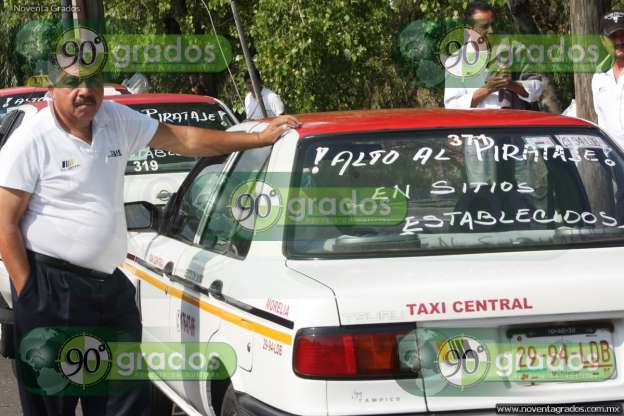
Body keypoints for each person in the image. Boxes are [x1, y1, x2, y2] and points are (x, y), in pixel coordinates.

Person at [0, 66, 298, 416]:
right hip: (52, 292)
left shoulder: (116, 119)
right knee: (54, 404)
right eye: (73, 83)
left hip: (108, 289)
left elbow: (183, 140)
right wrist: (31, 295)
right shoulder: (32, 139)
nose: (85, 91)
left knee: (126, 400)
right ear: (52, 89)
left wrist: (257, 139)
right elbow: (5, 223)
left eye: (92, 82)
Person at [444, 1, 543, 109]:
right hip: (478, 124)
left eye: (493, 24)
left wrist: (511, 84)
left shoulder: (516, 50)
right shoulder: (455, 61)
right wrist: (488, 89)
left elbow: (537, 89)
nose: (491, 30)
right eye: (485, 26)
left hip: (514, 124)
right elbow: (452, 107)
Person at [592, 11, 624, 145]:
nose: (619, 40)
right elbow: (602, 122)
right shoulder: (598, 78)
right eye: (613, 36)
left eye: (623, 34)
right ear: (603, 41)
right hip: (614, 162)